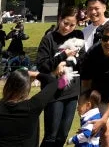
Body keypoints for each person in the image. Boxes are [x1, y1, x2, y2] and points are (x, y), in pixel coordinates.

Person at [35, 13, 85, 147]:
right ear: (60, 19)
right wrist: (62, 56)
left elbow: (82, 60)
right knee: (51, 135)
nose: (67, 27)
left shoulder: (78, 36)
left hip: (72, 92)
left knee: (62, 134)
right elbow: (42, 65)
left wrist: (66, 64)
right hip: (53, 92)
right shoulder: (49, 38)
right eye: (65, 23)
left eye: (72, 25)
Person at [0, 70, 60, 147]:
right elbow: (53, 82)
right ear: (26, 88)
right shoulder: (33, 106)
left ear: (7, 85)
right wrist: (35, 74)